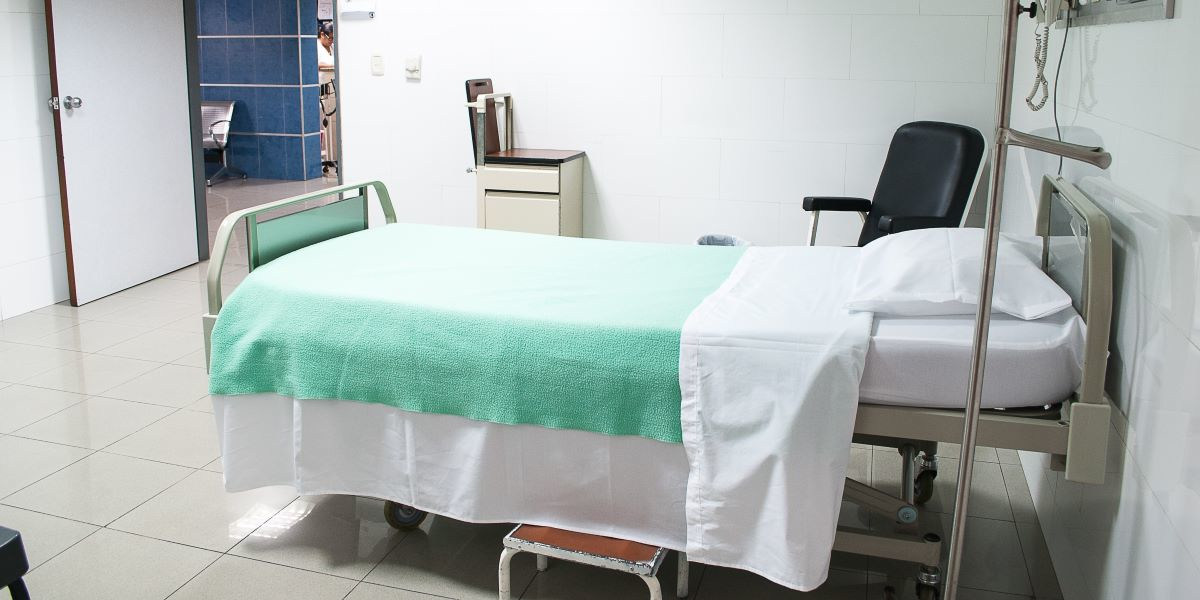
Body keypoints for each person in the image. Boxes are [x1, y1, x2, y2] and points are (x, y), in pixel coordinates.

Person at [317, 20, 335, 85]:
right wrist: (332, 65)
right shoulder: (315, 46)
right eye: (330, 38)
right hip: (321, 84)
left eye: (333, 38)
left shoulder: (333, 46)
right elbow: (313, 64)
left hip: (332, 83)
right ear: (322, 34)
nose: (331, 41)